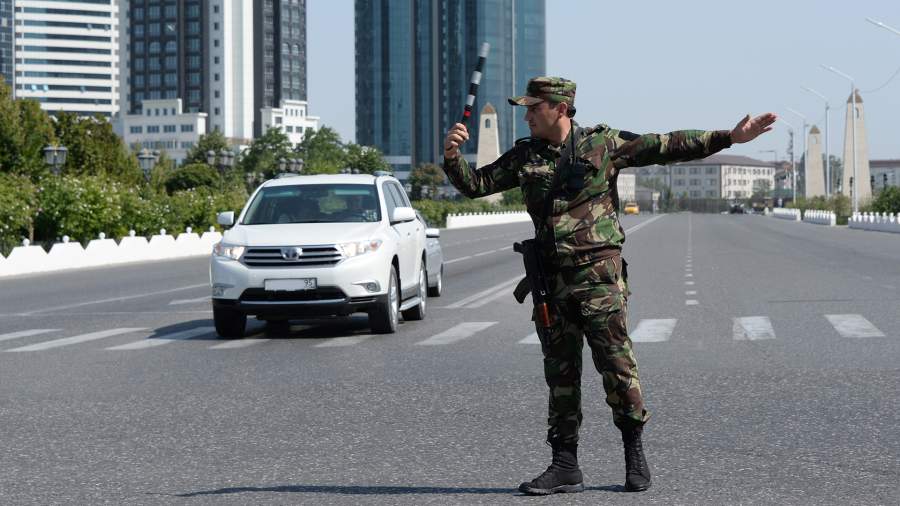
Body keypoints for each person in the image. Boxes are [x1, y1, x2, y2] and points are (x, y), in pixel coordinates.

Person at [442, 76, 775, 496]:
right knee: (560, 374)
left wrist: (730, 137)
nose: (526, 115)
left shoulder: (603, 145)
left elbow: (666, 145)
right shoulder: (525, 156)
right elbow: (478, 186)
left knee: (617, 369)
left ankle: (634, 455)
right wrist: (452, 156)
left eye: (533, 107)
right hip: (551, 281)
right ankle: (565, 466)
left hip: (598, 277)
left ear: (560, 108)